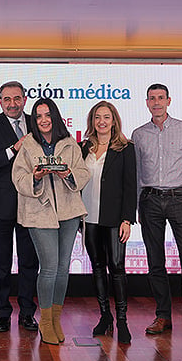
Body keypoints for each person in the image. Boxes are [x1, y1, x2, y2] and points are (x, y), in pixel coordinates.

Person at [131, 83, 182, 345]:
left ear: (169, 100)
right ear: (146, 102)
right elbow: (136, 174)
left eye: (161, 98)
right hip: (150, 199)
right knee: (155, 262)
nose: (156, 103)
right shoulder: (138, 134)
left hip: (180, 199)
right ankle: (162, 315)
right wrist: (136, 207)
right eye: (152, 98)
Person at [12, 98, 90, 345]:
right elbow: (18, 177)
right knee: (48, 267)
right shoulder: (28, 146)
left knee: (62, 268)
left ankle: (56, 318)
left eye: (47, 115)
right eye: (38, 116)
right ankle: (45, 320)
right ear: (34, 121)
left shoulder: (69, 144)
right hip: (39, 212)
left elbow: (83, 173)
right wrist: (35, 177)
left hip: (68, 212)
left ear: (55, 117)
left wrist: (67, 173)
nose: (43, 120)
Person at [0, 81, 39, 333]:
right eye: (7, 99)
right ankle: (2, 314)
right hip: (1, 206)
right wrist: (13, 149)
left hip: (32, 203)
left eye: (17, 98)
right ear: (0, 102)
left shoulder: (38, 123)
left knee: (29, 263)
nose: (12, 104)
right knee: (1, 265)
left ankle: (27, 313)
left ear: (24, 99)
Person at [80, 101, 136, 344]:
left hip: (114, 218)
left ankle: (122, 320)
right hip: (88, 217)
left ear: (114, 120)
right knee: (97, 266)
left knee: (117, 266)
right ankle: (105, 317)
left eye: (106, 117)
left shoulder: (126, 148)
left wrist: (127, 219)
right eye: (97, 117)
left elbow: (130, 185)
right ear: (92, 121)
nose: (102, 121)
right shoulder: (84, 148)